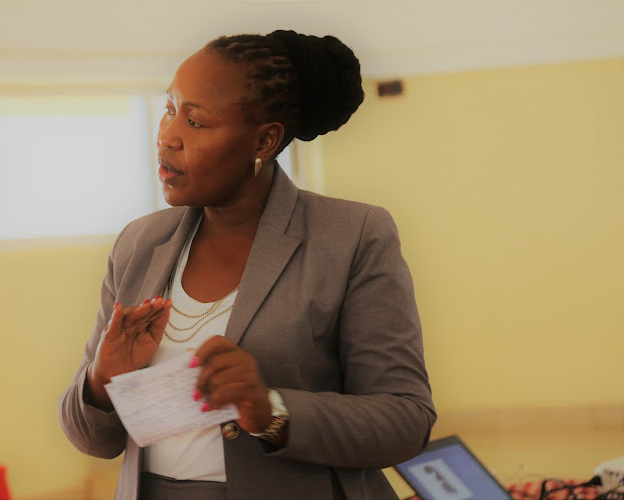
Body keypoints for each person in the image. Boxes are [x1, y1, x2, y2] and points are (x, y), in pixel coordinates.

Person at [59, 30, 436, 500]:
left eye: (196, 122)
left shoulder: (352, 235)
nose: (168, 137)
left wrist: (273, 411)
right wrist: (101, 380)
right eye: (170, 109)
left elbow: (405, 419)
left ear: (264, 139)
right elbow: (90, 438)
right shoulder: (140, 243)